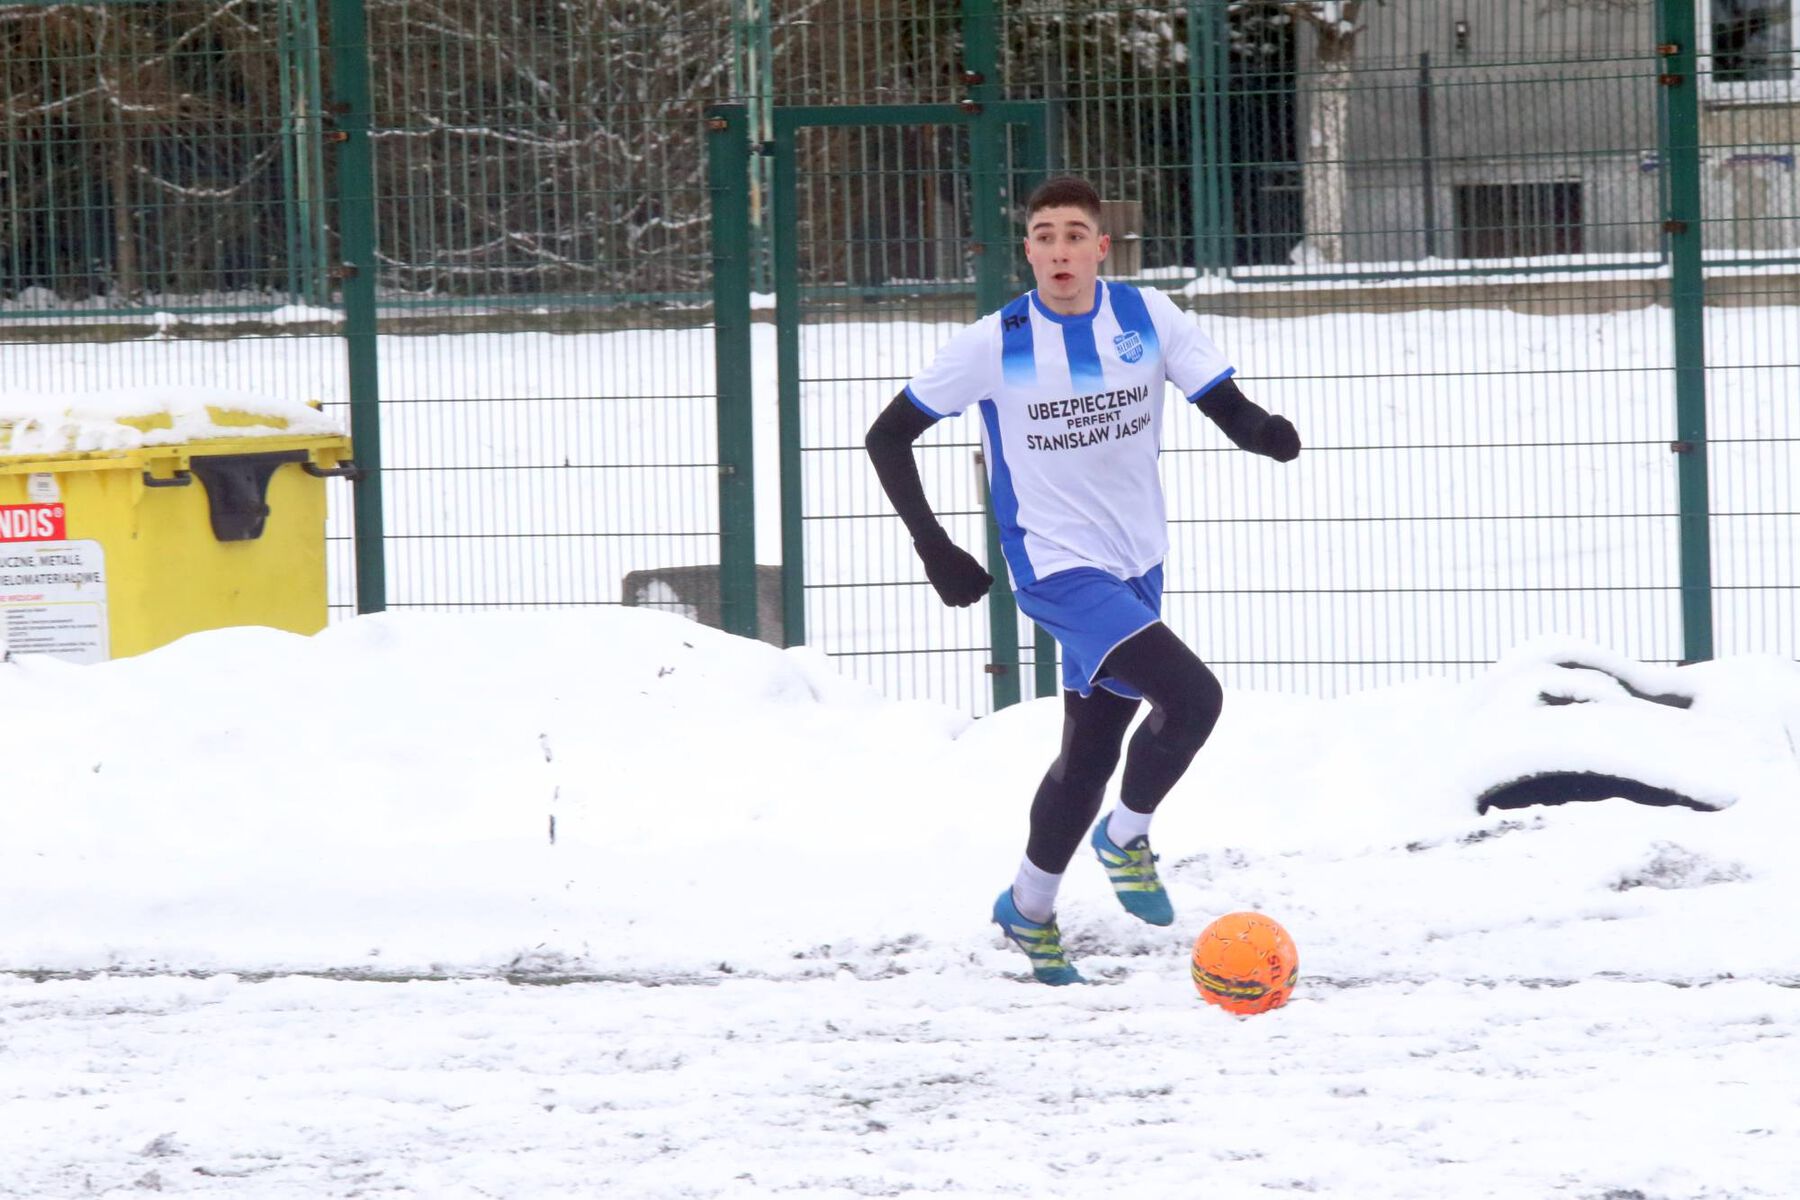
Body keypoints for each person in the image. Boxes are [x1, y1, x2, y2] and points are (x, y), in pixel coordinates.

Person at [864, 176, 1302, 985]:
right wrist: (937, 549)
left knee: (1091, 750)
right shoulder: (994, 342)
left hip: (1137, 560)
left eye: (1074, 234)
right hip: (1056, 567)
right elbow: (887, 437)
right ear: (1026, 250)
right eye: (1043, 235)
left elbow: (1221, 400)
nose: (1059, 249)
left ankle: (1028, 908)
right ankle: (1126, 837)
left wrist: (1263, 433)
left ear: (1103, 247)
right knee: (1194, 698)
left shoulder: (1147, 317)